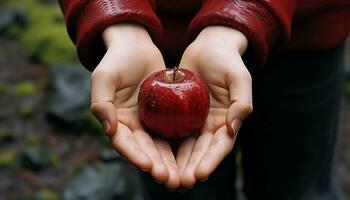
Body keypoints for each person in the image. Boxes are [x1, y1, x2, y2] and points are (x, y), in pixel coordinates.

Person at [58, 0, 350, 199]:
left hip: (303, 32)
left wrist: (239, 12)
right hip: (156, 40)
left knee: (298, 186)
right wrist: (118, 20)